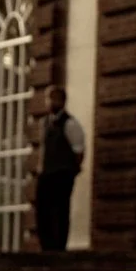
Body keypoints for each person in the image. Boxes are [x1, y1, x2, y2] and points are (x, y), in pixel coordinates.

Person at [31, 85, 85, 252]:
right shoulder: (45, 123)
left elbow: (78, 150)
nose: (49, 102)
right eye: (48, 98)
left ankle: (59, 246)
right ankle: (46, 245)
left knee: (60, 209)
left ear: (62, 101)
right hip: (46, 173)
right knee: (42, 209)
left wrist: (72, 169)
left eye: (53, 98)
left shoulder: (70, 123)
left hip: (62, 173)